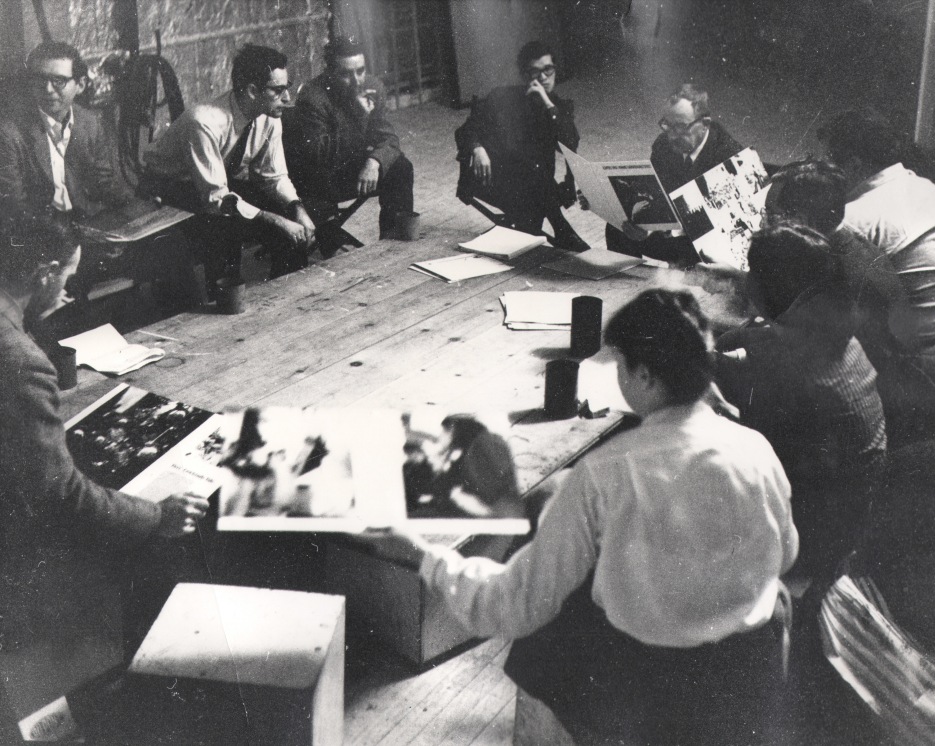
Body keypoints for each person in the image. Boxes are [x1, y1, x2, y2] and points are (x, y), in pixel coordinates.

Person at [370, 289, 797, 744]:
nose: (617, 377)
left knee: (543, 635)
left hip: (651, 694)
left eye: (620, 366)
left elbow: (513, 604)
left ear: (647, 377)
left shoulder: (605, 473)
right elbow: (785, 554)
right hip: (745, 677)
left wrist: (424, 556)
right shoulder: (755, 448)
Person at [0, 212, 207, 656]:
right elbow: (61, 497)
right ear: (44, 274)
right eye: (67, 277)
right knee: (162, 545)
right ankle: (145, 684)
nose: (69, 292)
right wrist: (156, 517)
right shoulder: (20, 360)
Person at [715, 221, 886, 580]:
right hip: (851, 514)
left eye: (752, 271)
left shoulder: (788, 369)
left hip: (811, 540)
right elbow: (760, 341)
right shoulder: (830, 325)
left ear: (767, 287)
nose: (746, 278)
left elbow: (742, 425)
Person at [818, 109, 935, 440]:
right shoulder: (927, 189)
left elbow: (817, 306)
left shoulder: (855, 220)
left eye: (830, 163)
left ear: (852, 164)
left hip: (902, 378)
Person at [141, 44, 315, 282]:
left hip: (217, 184)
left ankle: (289, 299)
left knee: (290, 225)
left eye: (288, 88)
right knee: (225, 228)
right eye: (278, 90)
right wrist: (274, 220)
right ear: (253, 91)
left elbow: (272, 176)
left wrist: (297, 209)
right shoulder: (203, 122)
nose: (287, 98)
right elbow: (216, 199)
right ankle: (226, 304)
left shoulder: (270, 114)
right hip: (170, 190)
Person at [454, 40, 589, 252]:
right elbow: (465, 130)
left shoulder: (559, 107)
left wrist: (547, 103)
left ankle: (554, 226)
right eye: (535, 72)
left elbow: (570, 143)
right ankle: (561, 227)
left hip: (534, 187)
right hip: (493, 179)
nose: (543, 77)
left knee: (533, 188)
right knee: (533, 172)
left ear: (555, 71)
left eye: (548, 70)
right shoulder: (502, 98)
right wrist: (478, 149)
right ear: (525, 75)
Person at [283, 36, 415, 252]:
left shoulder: (372, 87)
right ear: (330, 73)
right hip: (318, 178)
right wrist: (360, 114)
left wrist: (374, 162)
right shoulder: (312, 96)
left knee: (400, 167)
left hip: (352, 168)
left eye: (361, 71)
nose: (356, 81)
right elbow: (319, 155)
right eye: (346, 74)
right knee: (333, 244)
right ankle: (329, 235)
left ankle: (394, 244)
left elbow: (389, 138)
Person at [608, 83, 744, 263]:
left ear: (705, 124)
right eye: (667, 125)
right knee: (616, 229)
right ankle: (630, 287)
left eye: (680, 127)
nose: (672, 135)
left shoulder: (729, 155)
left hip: (712, 243)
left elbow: (731, 225)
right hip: (675, 233)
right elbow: (654, 192)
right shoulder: (663, 145)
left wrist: (660, 230)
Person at [0, 41, 131, 219]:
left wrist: (139, 205)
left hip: (87, 224)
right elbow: (15, 208)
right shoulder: (9, 134)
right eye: (40, 80)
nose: (48, 89)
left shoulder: (90, 123)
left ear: (81, 85)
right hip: (42, 234)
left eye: (59, 81)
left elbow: (104, 183)